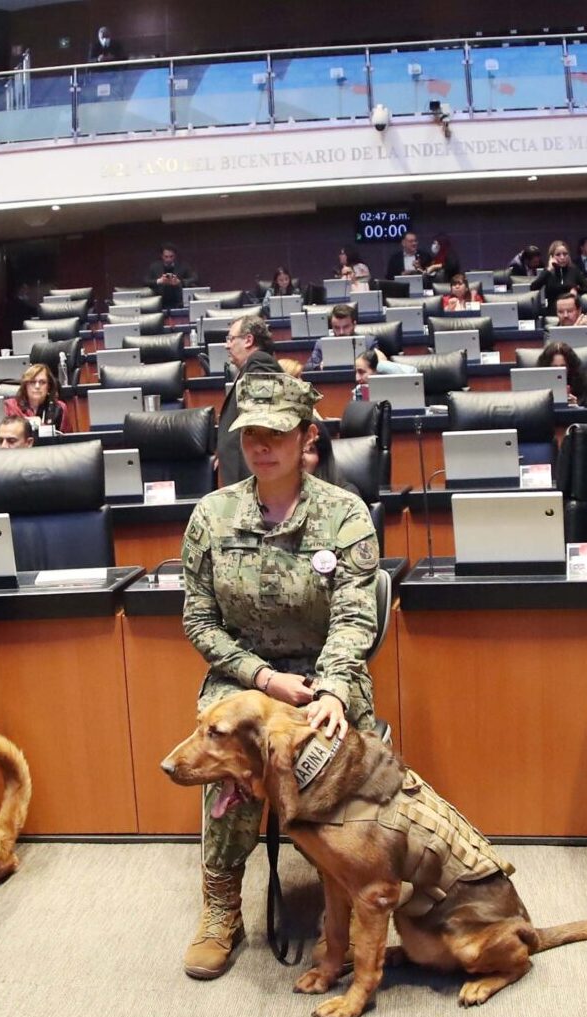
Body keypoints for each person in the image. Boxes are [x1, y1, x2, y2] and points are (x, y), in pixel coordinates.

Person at [178, 371, 379, 979]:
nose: (262, 445)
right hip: (245, 681)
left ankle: (347, 899)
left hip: (324, 680)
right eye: (250, 435)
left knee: (340, 758)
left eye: (276, 433)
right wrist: (263, 680)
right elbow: (200, 622)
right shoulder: (212, 516)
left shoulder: (344, 515)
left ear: (306, 438)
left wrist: (334, 689)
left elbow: (354, 618)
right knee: (234, 747)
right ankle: (221, 908)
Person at [216, 316, 284, 487]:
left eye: (231, 339)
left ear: (248, 340)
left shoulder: (260, 362)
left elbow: (260, 421)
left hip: (251, 476)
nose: (227, 345)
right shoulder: (249, 368)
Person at [2, 362, 73, 434]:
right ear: (25, 386)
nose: (37, 386)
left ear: (48, 386)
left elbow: (67, 439)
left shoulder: (59, 408)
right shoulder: (10, 406)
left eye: (42, 382)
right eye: (32, 382)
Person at [537, 342, 587, 408]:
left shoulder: (586, 389)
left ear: (570, 367)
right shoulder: (537, 392)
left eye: (563, 366)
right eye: (554, 367)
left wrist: (576, 409)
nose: (559, 371)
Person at [304, 305, 360, 371]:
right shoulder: (321, 344)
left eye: (346, 327)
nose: (341, 332)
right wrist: (319, 366)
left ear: (354, 324)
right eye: (336, 327)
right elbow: (308, 367)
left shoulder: (368, 343)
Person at [531, 240, 587, 304]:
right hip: (553, 310)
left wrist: (576, 289)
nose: (562, 257)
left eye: (565, 254)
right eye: (558, 254)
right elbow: (533, 288)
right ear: (551, 257)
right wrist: (549, 270)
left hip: (570, 308)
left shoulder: (574, 270)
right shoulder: (548, 272)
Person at [146, 244, 199, 311]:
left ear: (175, 256)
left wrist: (180, 282)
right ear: (162, 256)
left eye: (171, 256)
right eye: (166, 257)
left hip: (178, 302)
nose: (169, 259)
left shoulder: (183, 266)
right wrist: (159, 281)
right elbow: (145, 281)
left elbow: (195, 278)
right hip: (160, 302)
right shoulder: (154, 267)